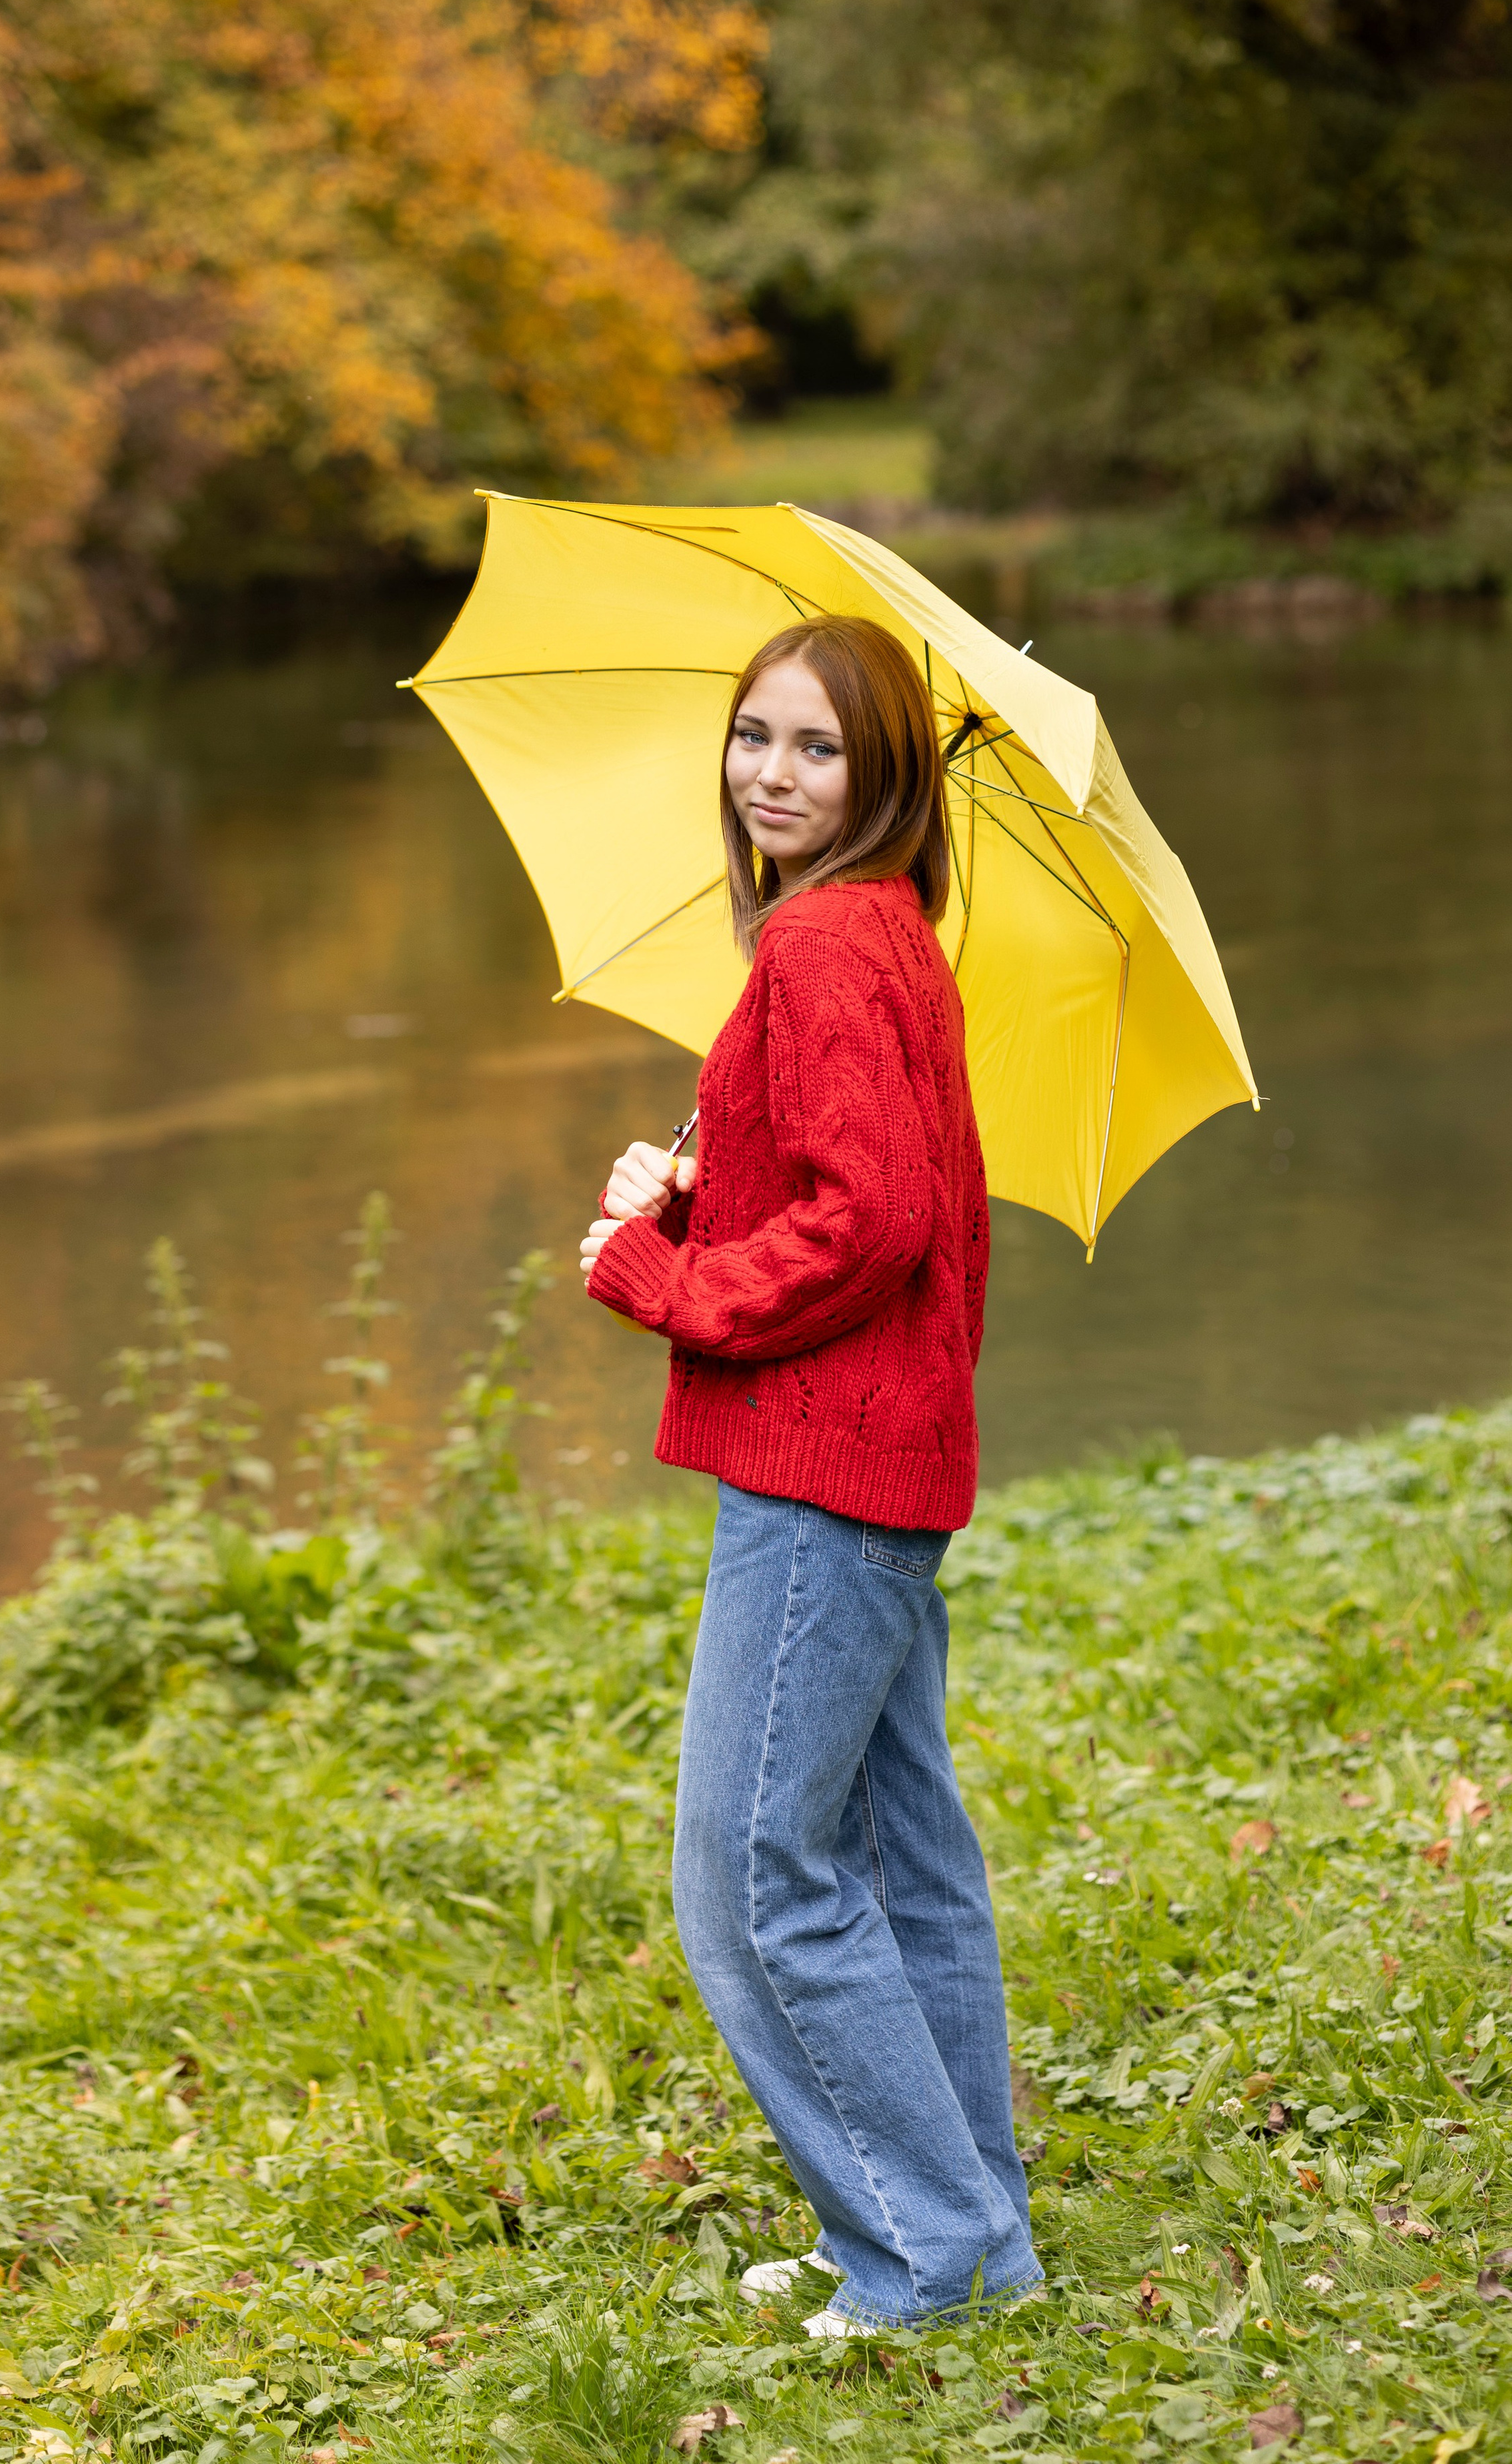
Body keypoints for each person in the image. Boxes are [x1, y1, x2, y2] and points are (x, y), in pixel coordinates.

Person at [578, 614, 1040, 2335]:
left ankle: (920, 2256)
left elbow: (884, 1219)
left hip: (825, 1478)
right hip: (888, 1460)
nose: (771, 773)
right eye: (752, 736)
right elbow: (882, 1199)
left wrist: (668, 1280)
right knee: (901, 1859)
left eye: (818, 750)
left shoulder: (828, 946)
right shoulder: (880, 934)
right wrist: (695, 1199)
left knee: (753, 1883)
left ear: (886, 773)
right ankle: (965, 2238)